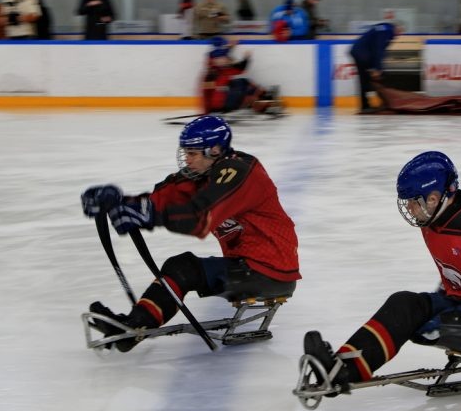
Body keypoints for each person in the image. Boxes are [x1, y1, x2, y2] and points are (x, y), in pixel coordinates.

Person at [301, 151, 461, 396]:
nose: (409, 209)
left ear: (435, 197)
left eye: (413, 202)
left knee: (429, 327)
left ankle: (346, 370)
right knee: (404, 303)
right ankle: (343, 368)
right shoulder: (434, 222)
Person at [81, 115, 301, 352]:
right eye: (186, 152)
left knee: (183, 268)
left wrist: (146, 214)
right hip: (248, 264)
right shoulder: (203, 173)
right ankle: (133, 325)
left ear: (215, 150)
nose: (187, 159)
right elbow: (165, 196)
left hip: (271, 270)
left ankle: (134, 328)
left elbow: (200, 216)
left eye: (193, 153)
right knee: (181, 266)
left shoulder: (238, 171)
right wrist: (121, 203)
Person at [201, 36, 279, 114]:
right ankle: (262, 101)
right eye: (223, 56)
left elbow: (238, 68)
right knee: (241, 84)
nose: (227, 58)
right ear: (216, 59)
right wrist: (209, 112)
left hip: (223, 102)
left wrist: (232, 49)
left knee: (242, 82)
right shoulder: (213, 73)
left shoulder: (220, 66)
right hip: (221, 106)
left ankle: (264, 98)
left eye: (225, 56)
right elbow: (206, 94)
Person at [349, 21, 404, 113]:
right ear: (396, 28)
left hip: (360, 52)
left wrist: (377, 68)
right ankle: (381, 103)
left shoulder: (384, 29)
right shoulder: (386, 31)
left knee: (369, 78)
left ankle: (368, 105)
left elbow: (379, 50)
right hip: (362, 54)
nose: (398, 35)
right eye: (399, 32)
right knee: (368, 79)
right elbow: (378, 50)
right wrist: (377, 69)